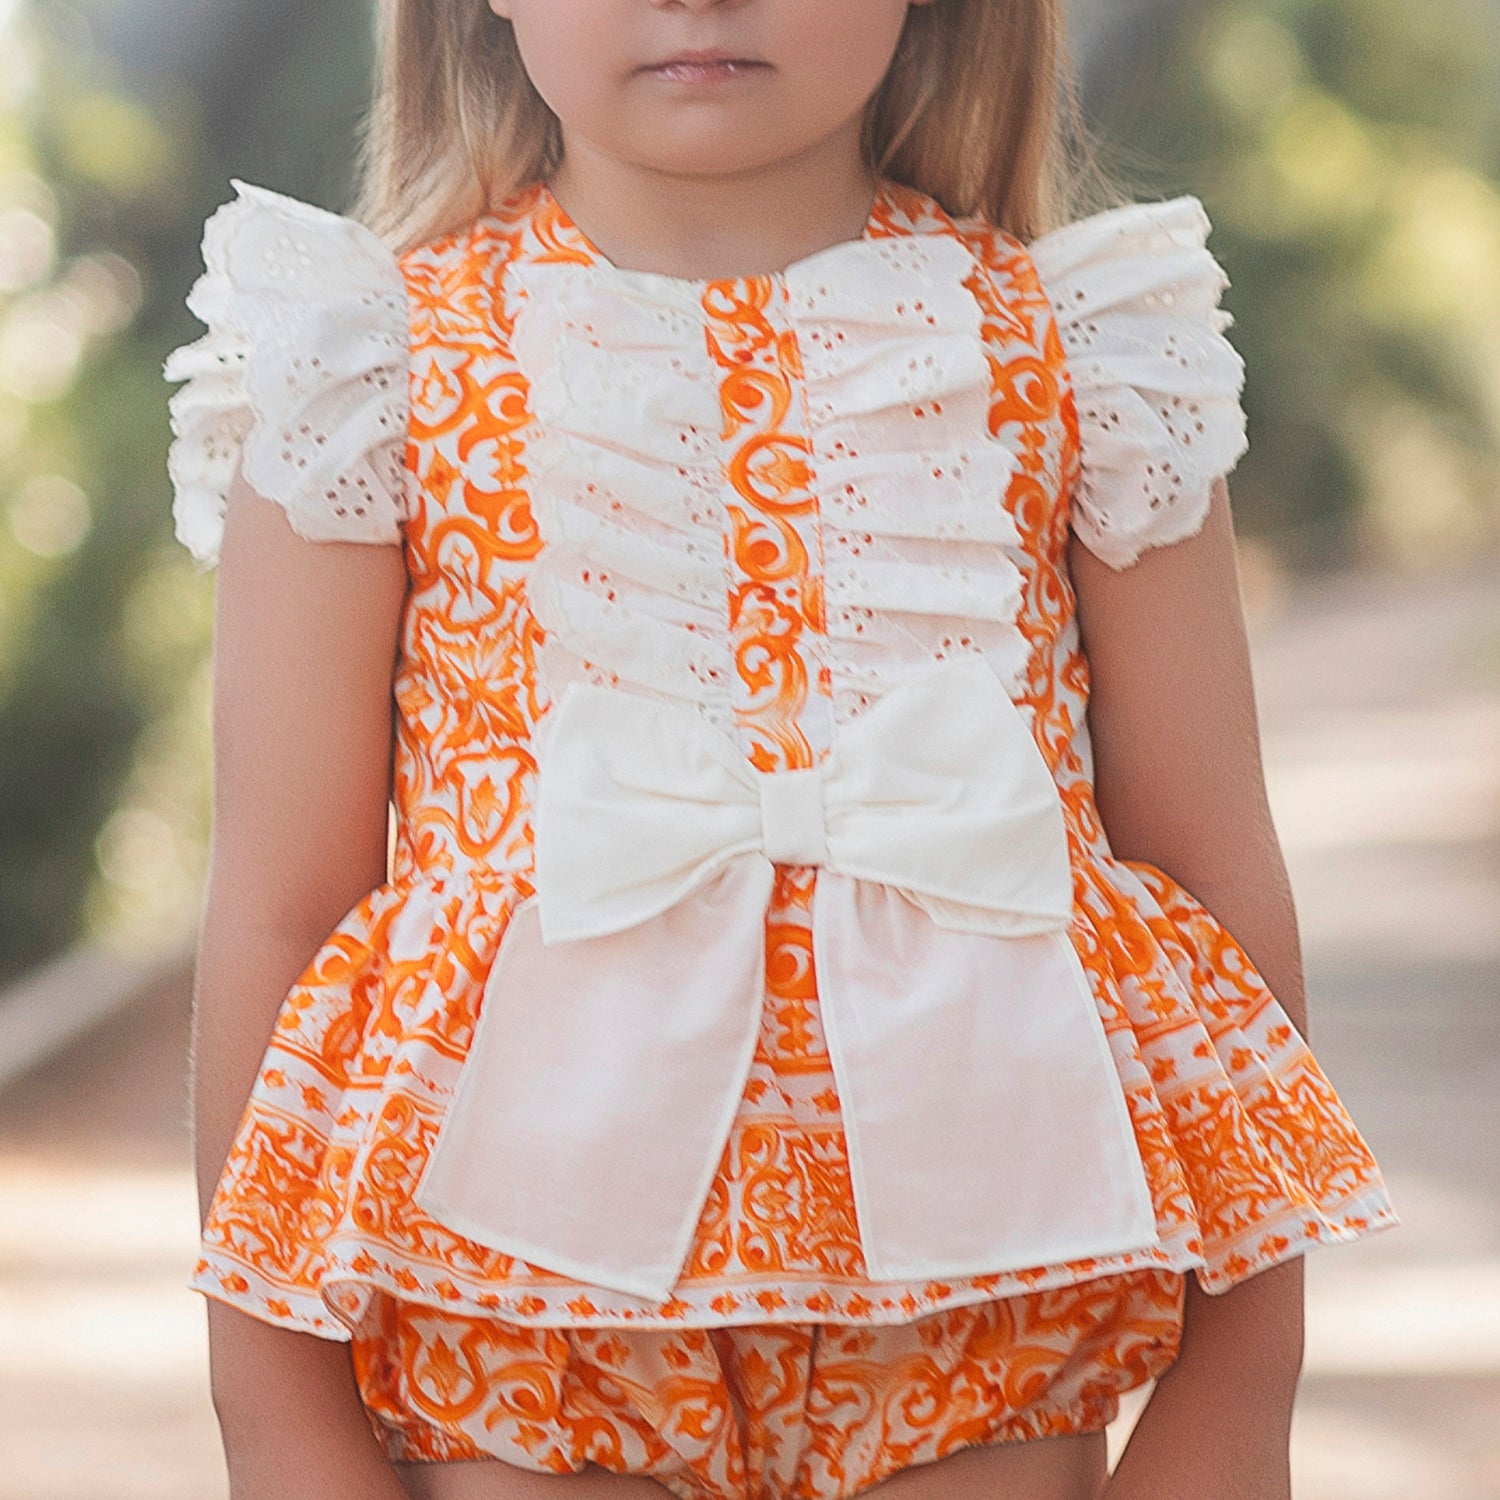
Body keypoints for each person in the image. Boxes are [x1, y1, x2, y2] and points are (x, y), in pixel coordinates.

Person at [165, 2, 1398, 1497]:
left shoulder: (1087, 354)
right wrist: (274, 1411)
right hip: (520, 1316)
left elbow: (1212, 875)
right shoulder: (367, 369)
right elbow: (280, 915)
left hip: (984, 1306)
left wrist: (1245, 1388)